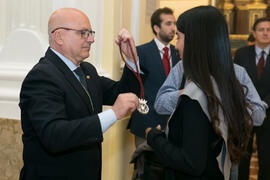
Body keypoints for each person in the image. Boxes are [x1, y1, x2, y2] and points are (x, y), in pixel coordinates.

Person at [19, 8, 141, 180]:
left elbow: (122, 93)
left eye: (90, 33)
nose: (91, 40)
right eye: (83, 33)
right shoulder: (42, 77)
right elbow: (55, 135)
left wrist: (131, 60)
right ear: (59, 37)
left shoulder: (86, 70)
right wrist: (113, 114)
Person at [145, 6, 253, 180]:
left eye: (179, 37)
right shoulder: (223, 84)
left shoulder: (195, 96)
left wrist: (154, 137)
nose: (176, 45)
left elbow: (191, 163)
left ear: (195, 42)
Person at [127, 7, 180, 179]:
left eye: (174, 24)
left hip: (173, 124)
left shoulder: (179, 53)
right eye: (168, 23)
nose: (173, 28)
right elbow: (132, 87)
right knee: (145, 171)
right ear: (156, 28)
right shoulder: (140, 52)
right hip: (146, 122)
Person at [234, 17, 270, 180]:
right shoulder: (241, 54)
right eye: (261, 29)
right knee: (242, 156)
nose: (265, 32)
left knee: (267, 158)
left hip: (269, 114)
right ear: (254, 33)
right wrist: (248, 104)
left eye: (269, 29)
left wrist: (263, 104)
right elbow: (235, 81)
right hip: (245, 113)